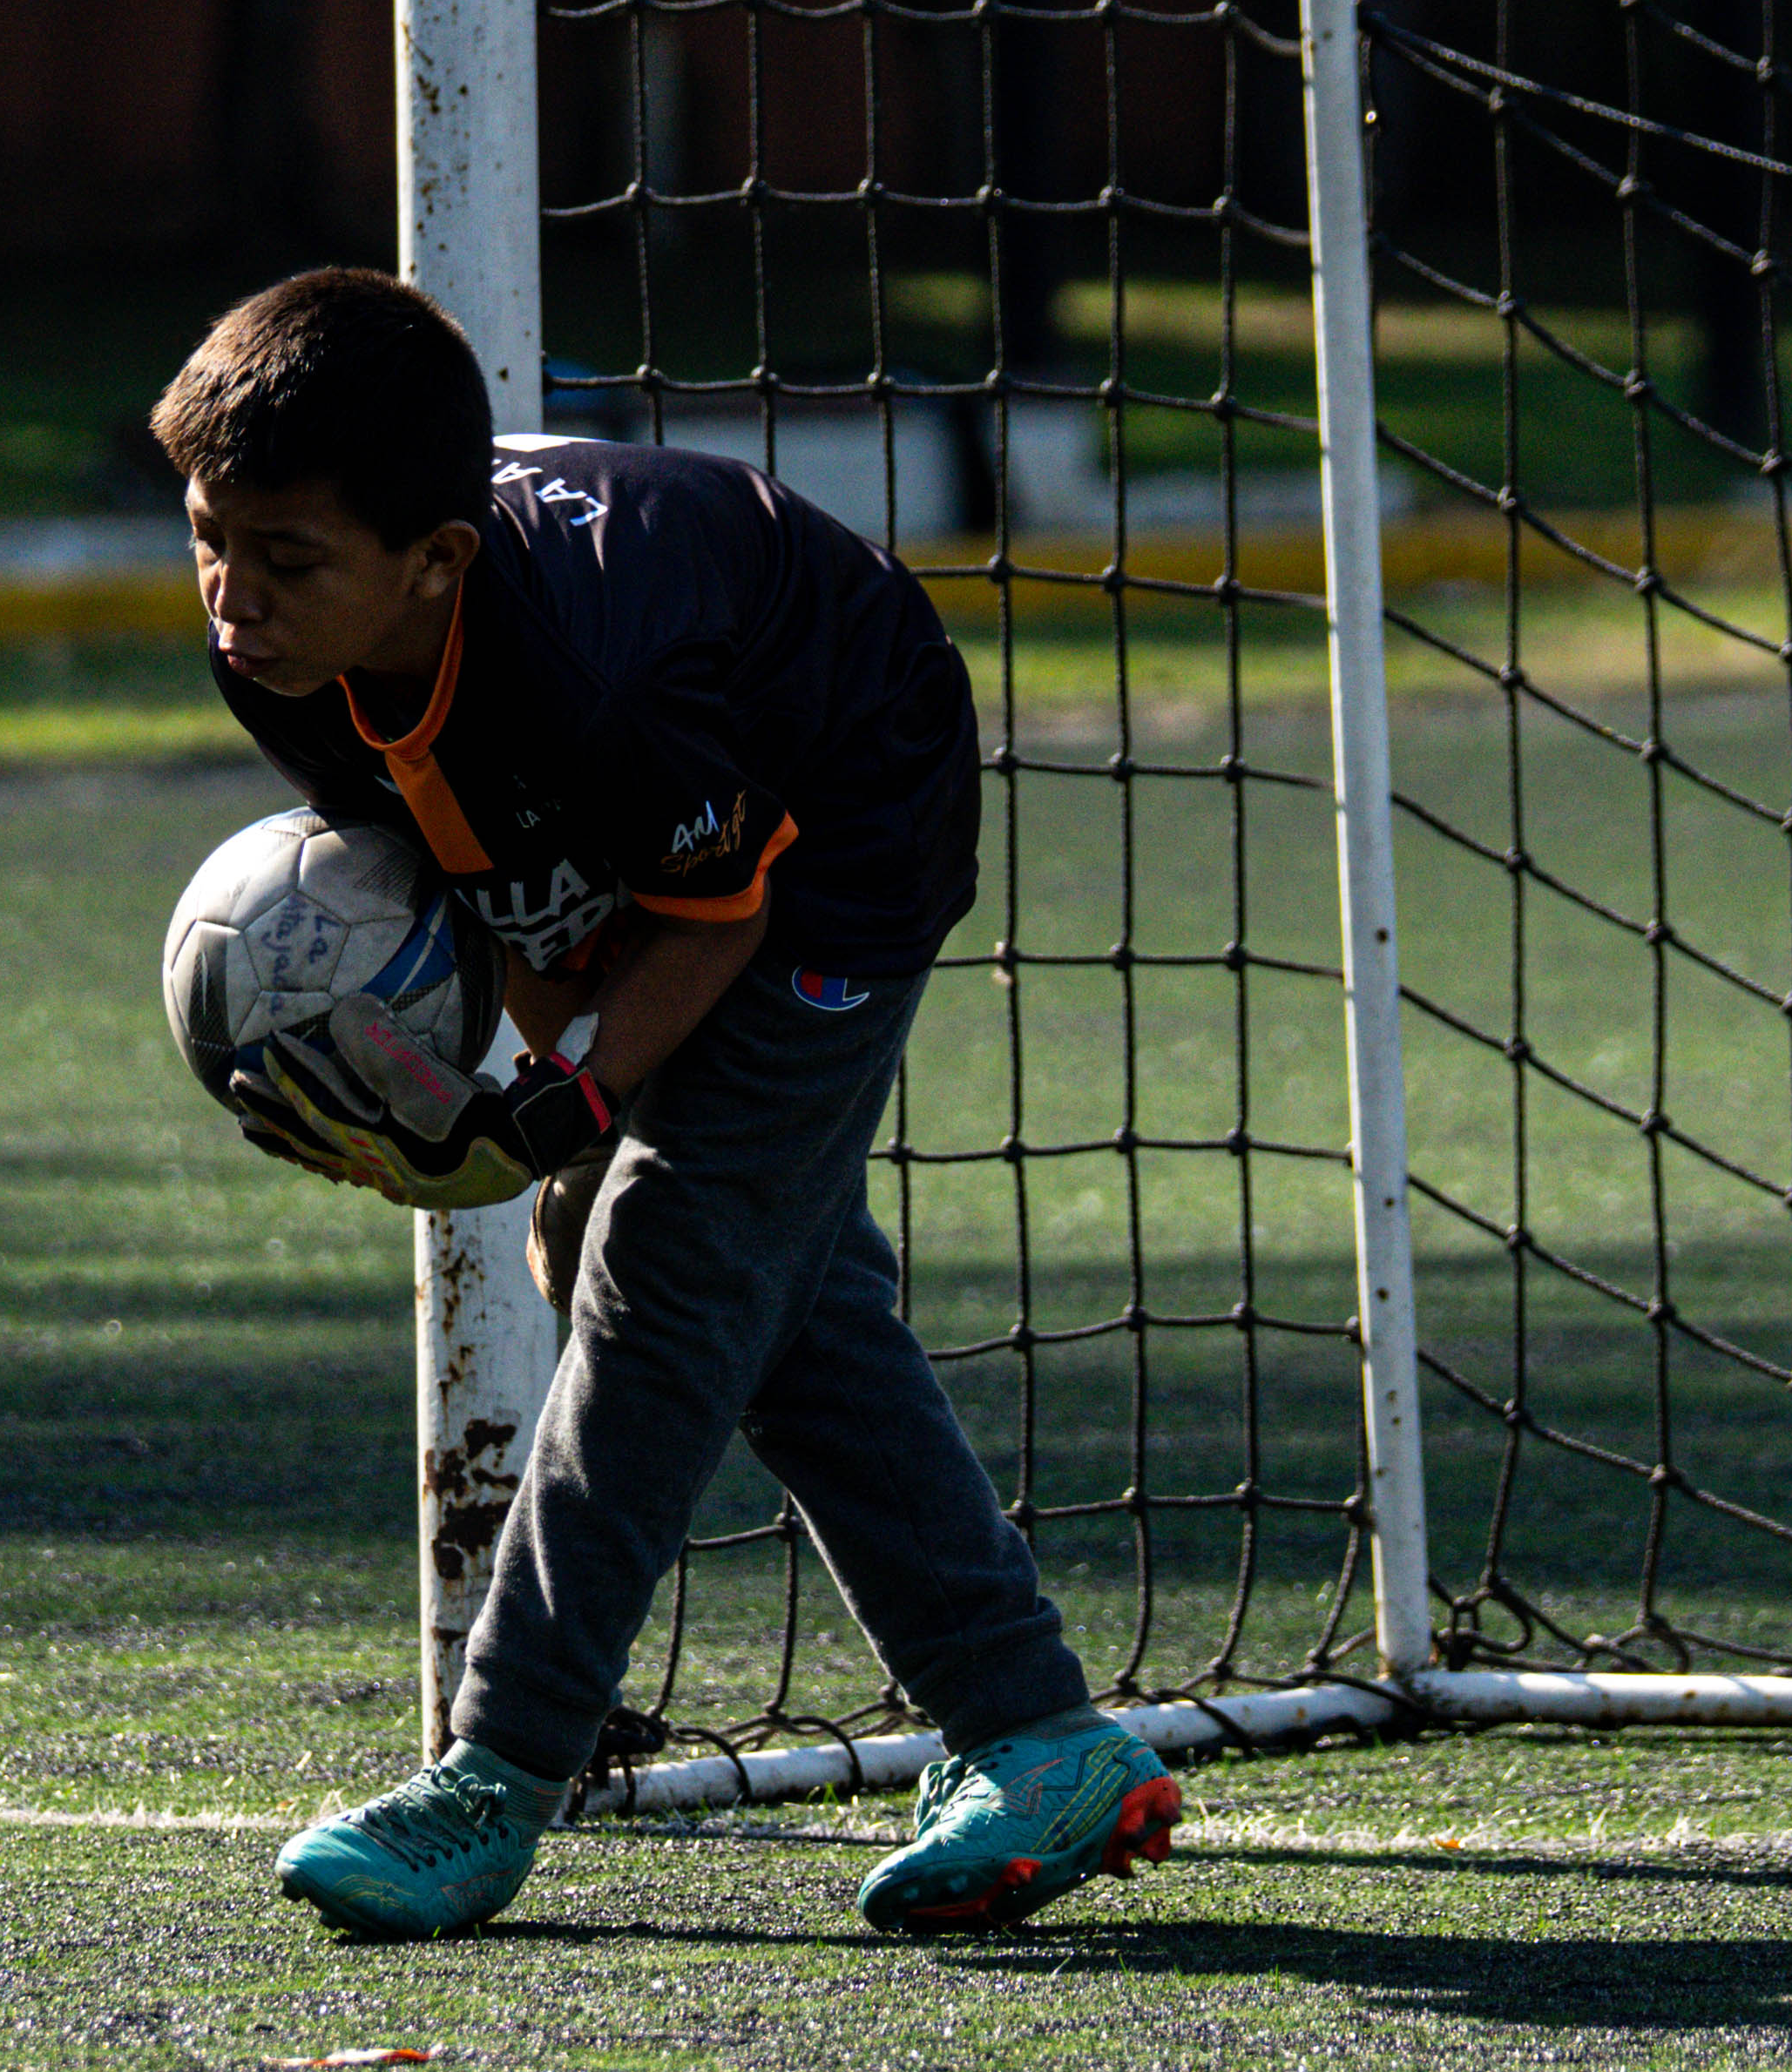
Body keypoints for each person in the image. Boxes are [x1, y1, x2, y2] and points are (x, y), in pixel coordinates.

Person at [160, 265, 1183, 1940]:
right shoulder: (278, 651)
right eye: (209, 536)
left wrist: (576, 1103)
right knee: (746, 1279)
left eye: (280, 562)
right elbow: (502, 878)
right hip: (673, 835)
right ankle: (1036, 1730)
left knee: (652, 1265)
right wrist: (548, 1088)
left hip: (844, 832)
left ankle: (495, 1775)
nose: (230, 595)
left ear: (433, 563)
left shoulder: (591, 667)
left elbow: (719, 905)